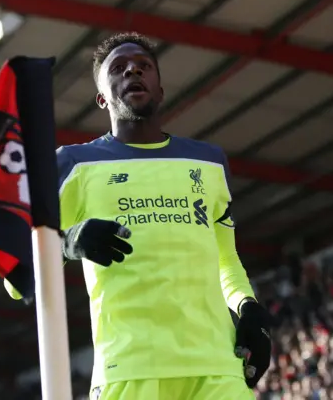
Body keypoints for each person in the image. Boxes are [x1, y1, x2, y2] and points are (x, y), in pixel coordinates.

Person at [56, 32, 273, 400]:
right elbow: (17, 272)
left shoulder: (209, 162)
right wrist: (66, 243)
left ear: (160, 90)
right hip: (128, 371)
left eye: (143, 67)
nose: (132, 72)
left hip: (217, 369)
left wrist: (247, 307)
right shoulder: (74, 164)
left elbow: (226, 258)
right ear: (101, 97)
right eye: (119, 68)